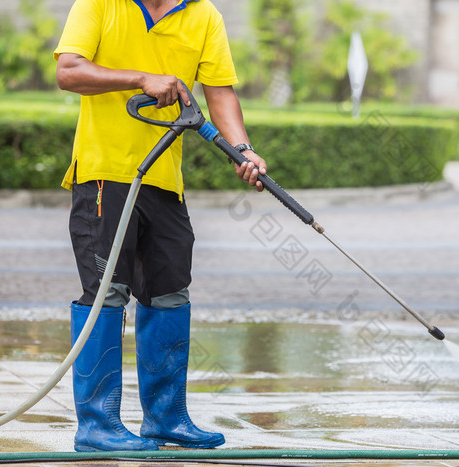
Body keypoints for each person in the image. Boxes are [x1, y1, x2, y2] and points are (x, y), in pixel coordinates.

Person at [54, 0, 266, 452]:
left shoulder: (204, 15)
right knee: (106, 293)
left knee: (170, 291)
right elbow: (68, 71)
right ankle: (97, 425)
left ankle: (167, 418)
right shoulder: (98, 4)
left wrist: (242, 148)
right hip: (103, 175)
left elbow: (220, 91)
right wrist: (138, 77)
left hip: (165, 181)